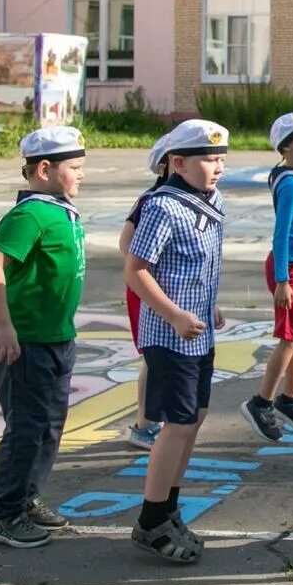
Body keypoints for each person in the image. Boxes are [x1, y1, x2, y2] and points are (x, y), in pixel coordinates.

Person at [125, 119, 231, 563]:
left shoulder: (211, 200)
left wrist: (210, 305)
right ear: (177, 162)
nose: (217, 167)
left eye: (221, 158)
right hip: (169, 336)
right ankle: (150, 520)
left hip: (198, 331)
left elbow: (197, 266)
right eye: (208, 159)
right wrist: (173, 313)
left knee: (196, 417)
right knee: (179, 424)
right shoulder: (162, 206)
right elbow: (137, 270)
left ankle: (168, 508)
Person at [0, 127, 88, 549]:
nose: (81, 176)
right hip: (26, 341)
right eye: (74, 168)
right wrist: (4, 326)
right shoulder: (30, 215)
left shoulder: (59, 210)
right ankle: (3, 513)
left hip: (57, 336)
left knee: (48, 427)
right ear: (44, 169)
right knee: (25, 427)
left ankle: (25, 497)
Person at [243, 113, 293, 443]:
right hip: (288, 268)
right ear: (287, 146)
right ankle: (260, 403)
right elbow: (280, 233)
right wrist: (282, 281)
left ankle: (289, 400)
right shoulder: (289, 182)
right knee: (290, 337)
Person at [121, 136, 170, 450]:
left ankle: (158, 417)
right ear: (166, 165)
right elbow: (126, 243)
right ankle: (144, 424)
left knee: (166, 358)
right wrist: (146, 274)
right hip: (147, 291)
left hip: (172, 293)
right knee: (153, 358)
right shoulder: (151, 200)